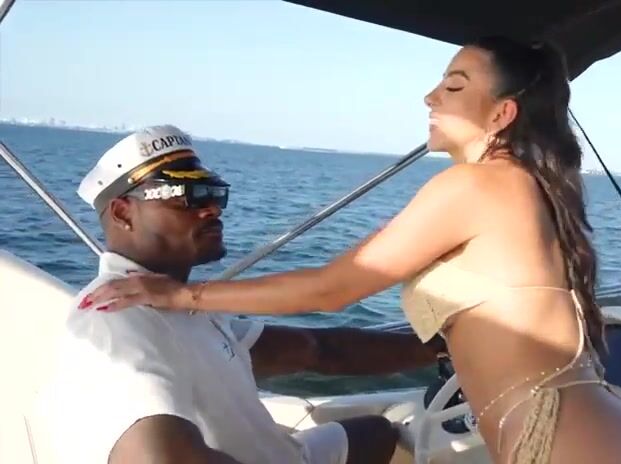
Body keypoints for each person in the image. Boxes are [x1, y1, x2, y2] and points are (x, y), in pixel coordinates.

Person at [83, 38, 621, 464]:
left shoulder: (479, 184)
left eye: (454, 85)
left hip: (565, 438)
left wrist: (183, 296)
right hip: (584, 427)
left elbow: (334, 288)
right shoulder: (510, 184)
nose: (430, 96)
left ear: (501, 113)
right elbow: (328, 326)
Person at [33, 124, 446, 464]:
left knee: (379, 434)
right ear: (123, 212)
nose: (212, 208)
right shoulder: (114, 319)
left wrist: (443, 348)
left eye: (214, 193)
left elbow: (319, 349)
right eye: (188, 195)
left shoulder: (182, 302)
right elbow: (159, 458)